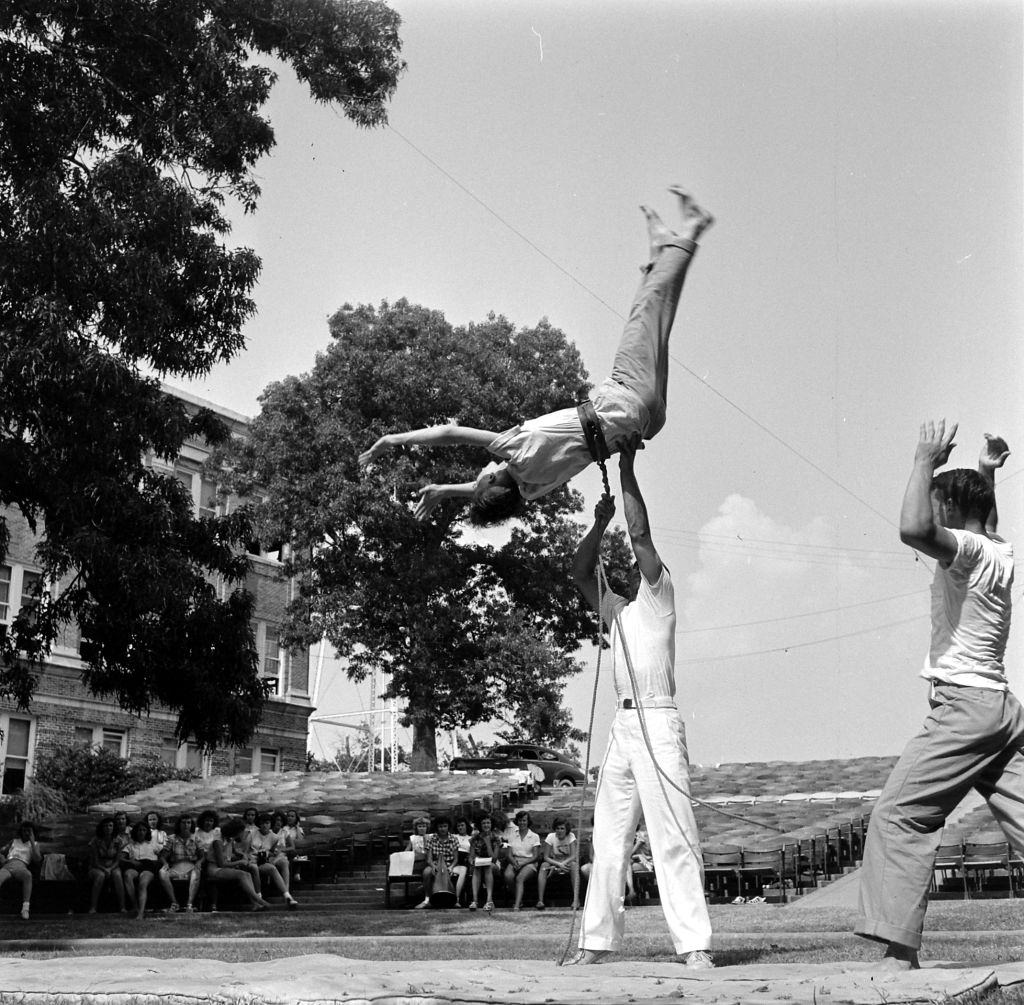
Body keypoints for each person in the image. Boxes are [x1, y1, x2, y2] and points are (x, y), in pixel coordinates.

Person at [358, 188, 713, 525]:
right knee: (648, 314)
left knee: (653, 321)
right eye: (483, 477)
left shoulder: (531, 488)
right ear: (494, 476)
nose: (480, 473)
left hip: (643, 423)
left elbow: (492, 490)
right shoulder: (518, 449)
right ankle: (688, 231)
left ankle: (659, 255)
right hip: (623, 398)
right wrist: (394, 440)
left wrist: (448, 490)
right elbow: (452, 432)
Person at [855, 424, 1019, 970]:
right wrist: (987, 473)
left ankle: (899, 953)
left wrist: (924, 458)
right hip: (1003, 711)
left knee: (899, 816)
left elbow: (912, 528)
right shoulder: (1000, 548)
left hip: (965, 708)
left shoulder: (967, 550)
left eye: (939, 503)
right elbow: (986, 518)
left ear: (950, 507)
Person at [569, 442, 712, 969]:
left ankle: (695, 945)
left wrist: (627, 469)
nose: (638, 564)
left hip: (658, 717)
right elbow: (580, 572)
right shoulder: (618, 612)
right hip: (622, 727)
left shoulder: (661, 597)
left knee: (673, 834)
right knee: (608, 839)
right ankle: (595, 943)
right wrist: (598, 522)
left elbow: (643, 536)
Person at [206, 818, 271, 912]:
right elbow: (222, 864)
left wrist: (244, 856)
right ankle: (260, 901)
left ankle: (255, 904)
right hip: (215, 869)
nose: (242, 834)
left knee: (247, 874)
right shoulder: (218, 841)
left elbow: (235, 851)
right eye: (241, 832)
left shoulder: (229, 838)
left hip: (223, 867)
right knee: (241, 874)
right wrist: (240, 862)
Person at [122, 821, 174, 919]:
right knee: (127, 875)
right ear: (135, 832)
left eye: (144, 830)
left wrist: (164, 863)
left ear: (147, 832)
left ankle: (140, 913)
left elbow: (164, 854)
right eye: (139, 830)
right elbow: (121, 858)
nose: (141, 832)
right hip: (135, 865)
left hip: (149, 866)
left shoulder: (153, 845)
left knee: (143, 882)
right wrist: (131, 861)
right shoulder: (130, 845)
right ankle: (135, 906)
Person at [251, 813, 299, 908]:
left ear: (270, 824)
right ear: (259, 824)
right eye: (262, 823)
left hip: (262, 861)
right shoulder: (252, 833)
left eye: (267, 823)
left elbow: (272, 851)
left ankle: (287, 896)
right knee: (254, 867)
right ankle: (258, 898)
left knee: (272, 868)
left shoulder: (274, 837)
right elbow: (244, 849)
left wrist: (268, 854)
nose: (265, 825)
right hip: (250, 859)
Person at [536, 817, 580, 910]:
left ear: (566, 829)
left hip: (568, 863)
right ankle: (540, 900)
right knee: (544, 866)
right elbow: (546, 857)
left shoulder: (571, 836)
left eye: (562, 828)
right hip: (556, 863)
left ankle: (576, 900)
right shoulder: (550, 837)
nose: (559, 831)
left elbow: (573, 856)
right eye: (557, 828)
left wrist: (563, 863)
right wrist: (558, 864)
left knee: (574, 866)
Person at [162, 814, 203, 913]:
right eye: (183, 822)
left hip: (190, 867)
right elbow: (163, 856)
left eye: (188, 822)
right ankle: (174, 903)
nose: (186, 825)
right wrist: (165, 863)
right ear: (179, 824)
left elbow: (202, 856)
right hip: (175, 867)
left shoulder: (196, 839)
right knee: (162, 872)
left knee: (196, 873)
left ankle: (189, 904)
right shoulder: (172, 838)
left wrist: (199, 862)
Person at [416, 816, 460, 909]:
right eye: (440, 827)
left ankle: (454, 900)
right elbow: (429, 858)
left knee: (454, 873)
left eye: (445, 826)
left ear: (448, 827)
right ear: (437, 828)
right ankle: (427, 899)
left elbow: (456, 859)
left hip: (449, 864)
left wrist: (451, 867)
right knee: (426, 873)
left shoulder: (454, 839)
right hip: (435, 864)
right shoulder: (431, 839)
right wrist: (433, 866)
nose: (442, 829)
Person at [0, 822, 41, 920]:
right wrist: (2, 858)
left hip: (21, 867)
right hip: (8, 865)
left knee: (28, 875)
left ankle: (25, 909)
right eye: (24, 830)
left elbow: (37, 859)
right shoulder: (14, 841)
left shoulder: (34, 844)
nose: (26, 833)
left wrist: (32, 840)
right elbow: (2, 851)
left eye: (28, 831)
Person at [502, 810, 542, 911]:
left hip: (529, 862)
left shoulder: (534, 836)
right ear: (517, 821)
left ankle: (516, 904)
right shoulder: (512, 835)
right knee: (508, 876)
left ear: (528, 822)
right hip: (514, 860)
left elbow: (536, 856)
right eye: (520, 820)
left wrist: (523, 863)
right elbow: (508, 854)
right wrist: (514, 863)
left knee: (520, 878)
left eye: (524, 820)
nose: (522, 823)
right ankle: (519, 898)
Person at [87, 817, 127, 914]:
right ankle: (93, 907)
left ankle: (122, 907)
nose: (108, 828)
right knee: (100, 876)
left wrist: (110, 869)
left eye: (110, 826)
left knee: (117, 875)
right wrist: (104, 869)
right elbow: (95, 861)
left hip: (113, 865)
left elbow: (118, 860)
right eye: (105, 826)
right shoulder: (95, 840)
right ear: (102, 828)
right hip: (97, 866)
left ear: (113, 827)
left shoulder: (118, 841)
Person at [469, 814, 501, 912]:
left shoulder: (496, 837)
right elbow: (471, 855)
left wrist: (487, 842)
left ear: (491, 824)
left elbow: (494, 858)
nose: (486, 825)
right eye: (483, 823)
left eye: (488, 823)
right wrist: (472, 861)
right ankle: (475, 900)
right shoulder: (475, 838)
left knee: (487, 866)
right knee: (476, 867)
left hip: (493, 863)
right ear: (480, 825)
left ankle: (489, 900)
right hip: (479, 863)